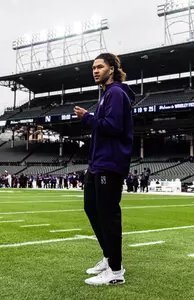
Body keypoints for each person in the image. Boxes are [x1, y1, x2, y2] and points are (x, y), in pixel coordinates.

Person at [74, 52, 133, 285]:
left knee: (108, 215)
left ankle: (116, 272)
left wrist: (87, 117)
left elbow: (113, 127)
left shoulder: (116, 93)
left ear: (112, 68)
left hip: (110, 162)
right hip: (98, 163)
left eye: (99, 66)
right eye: (93, 68)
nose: (95, 71)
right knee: (91, 208)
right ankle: (109, 257)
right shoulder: (106, 94)